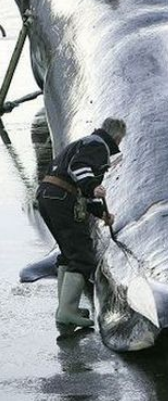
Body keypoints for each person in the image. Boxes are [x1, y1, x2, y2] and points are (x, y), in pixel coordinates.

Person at [36, 117, 126, 333]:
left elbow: (83, 190)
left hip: (47, 195)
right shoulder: (98, 146)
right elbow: (80, 168)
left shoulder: (84, 142)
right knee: (82, 254)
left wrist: (102, 213)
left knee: (68, 252)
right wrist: (92, 185)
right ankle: (67, 312)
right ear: (117, 138)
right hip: (61, 197)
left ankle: (65, 308)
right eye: (121, 140)